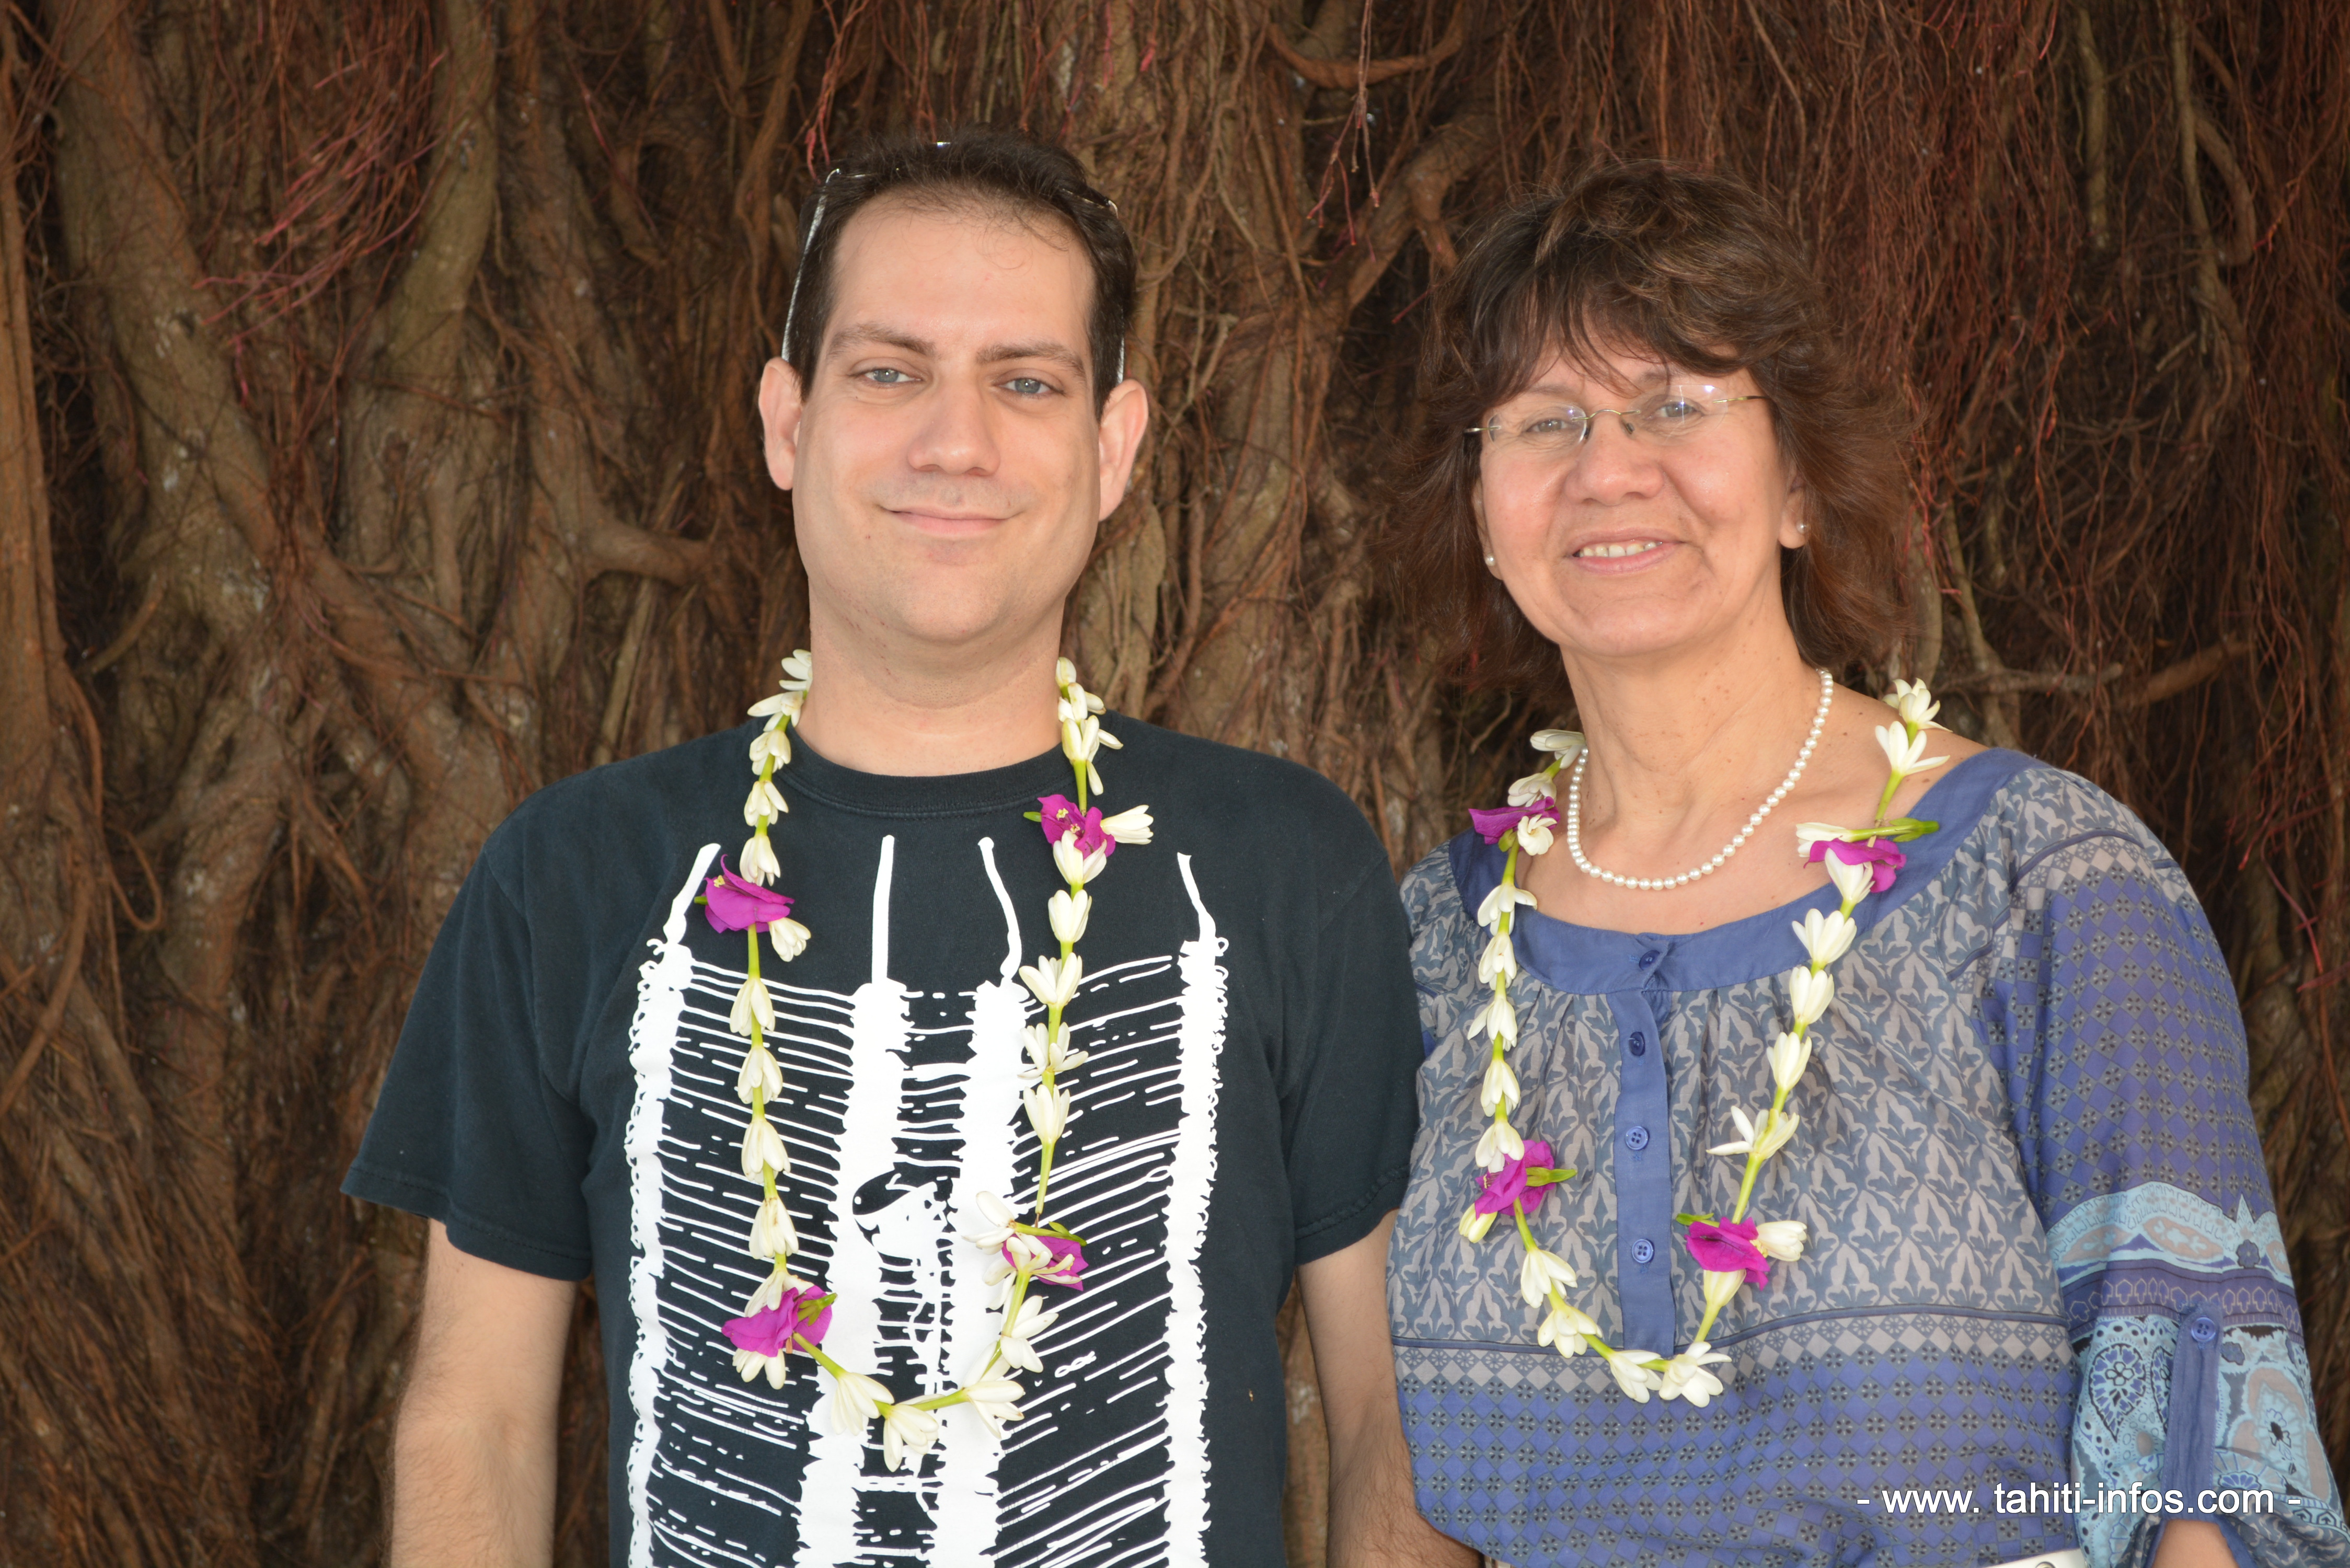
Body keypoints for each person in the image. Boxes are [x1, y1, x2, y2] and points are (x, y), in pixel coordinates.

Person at [345, 128, 1453, 1567]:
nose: (956, 442)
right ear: (785, 422)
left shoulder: (1284, 867)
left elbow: (1389, 1428)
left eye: (1026, 381)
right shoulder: (575, 875)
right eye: (889, 371)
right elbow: (475, 1421)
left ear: (1113, 447)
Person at [1381, 163, 2347, 1568]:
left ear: (1798, 486)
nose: (1608, 468)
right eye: (1547, 421)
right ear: (1482, 507)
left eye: (1679, 406)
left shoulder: (2043, 879)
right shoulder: (1432, 940)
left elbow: (2206, 1481)